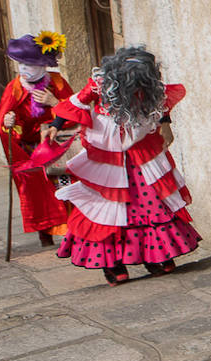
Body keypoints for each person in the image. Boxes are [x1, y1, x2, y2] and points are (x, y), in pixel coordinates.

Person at [51, 46, 199, 286]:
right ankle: (113, 263)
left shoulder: (151, 86)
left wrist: (166, 125)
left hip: (142, 150)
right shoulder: (100, 83)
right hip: (107, 153)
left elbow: (161, 104)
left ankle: (154, 256)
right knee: (107, 206)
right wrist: (56, 125)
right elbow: (76, 102)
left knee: (150, 201)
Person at [0, 31, 71, 246]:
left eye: (28, 65)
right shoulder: (15, 88)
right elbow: (3, 119)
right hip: (30, 151)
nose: (24, 70)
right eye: (21, 65)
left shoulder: (56, 83)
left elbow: (75, 112)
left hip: (56, 146)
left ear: (42, 65)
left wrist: (54, 102)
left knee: (63, 185)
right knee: (35, 191)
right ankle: (45, 232)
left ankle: (70, 231)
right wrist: (9, 123)